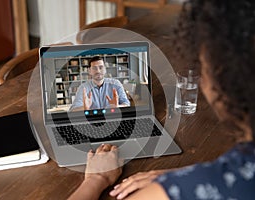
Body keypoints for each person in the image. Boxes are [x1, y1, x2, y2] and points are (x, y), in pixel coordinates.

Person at [68, 0, 255, 199]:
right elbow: (75, 112)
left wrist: (96, 180)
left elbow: (126, 104)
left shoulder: (115, 86)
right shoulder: (84, 88)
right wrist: (185, 176)